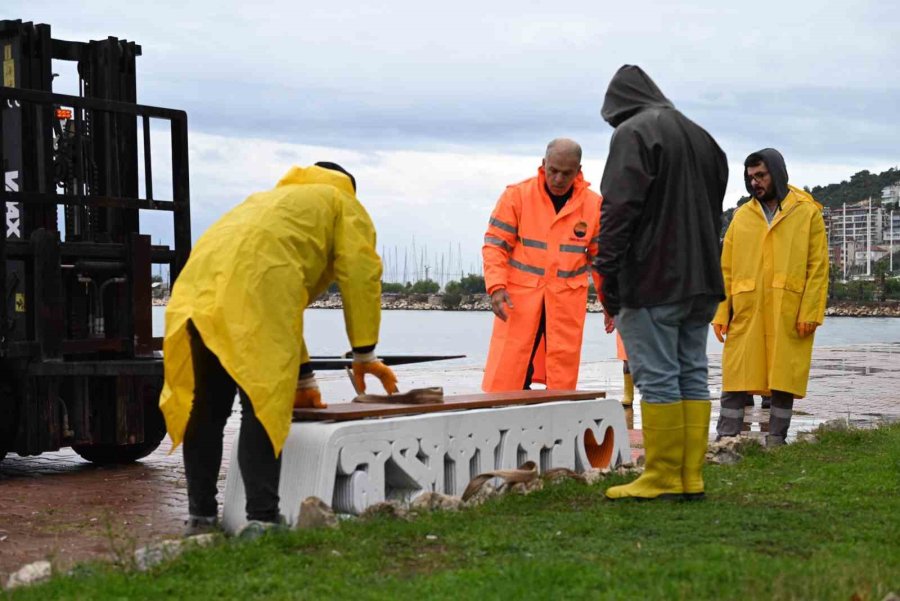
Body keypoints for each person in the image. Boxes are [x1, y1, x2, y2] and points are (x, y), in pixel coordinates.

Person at [159, 163, 399, 536]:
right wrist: (364, 352)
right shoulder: (342, 202)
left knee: (207, 407)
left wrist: (304, 379)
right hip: (257, 291)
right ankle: (262, 520)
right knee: (262, 404)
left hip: (197, 291)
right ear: (349, 186)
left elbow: (284, 305)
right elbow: (360, 272)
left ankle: (201, 519)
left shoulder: (270, 202)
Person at [593, 65, 728, 501]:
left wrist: (608, 275)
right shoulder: (703, 138)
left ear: (618, 107)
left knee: (657, 379)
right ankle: (691, 476)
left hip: (652, 277)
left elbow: (617, 210)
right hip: (703, 279)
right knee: (692, 373)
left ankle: (662, 475)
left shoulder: (634, 133)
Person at [713, 149, 828, 446]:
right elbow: (725, 268)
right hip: (746, 311)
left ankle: (776, 440)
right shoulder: (742, 217)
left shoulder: (807, 213)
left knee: (782, 378)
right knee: (737, 375)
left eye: (761, 175)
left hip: (788, 311)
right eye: (751, 177)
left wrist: (811, 311)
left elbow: (817, 268)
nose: (755, 183)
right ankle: (727, 437)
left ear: (777, 172)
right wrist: (721, 312)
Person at [482, 139, 603, 392]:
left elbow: (603, 259)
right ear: (543, 164)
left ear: (579, 170)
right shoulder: (517, 196)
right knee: (512, 369)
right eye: (553, 171)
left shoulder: (593, 205)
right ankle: (505, 421)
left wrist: (610, 302)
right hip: (520, 300)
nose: (558, 179)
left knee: (561, 376)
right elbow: (495, 245)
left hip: (565, 302)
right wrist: (496, 287)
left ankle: (556, 421)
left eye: (566, 173)